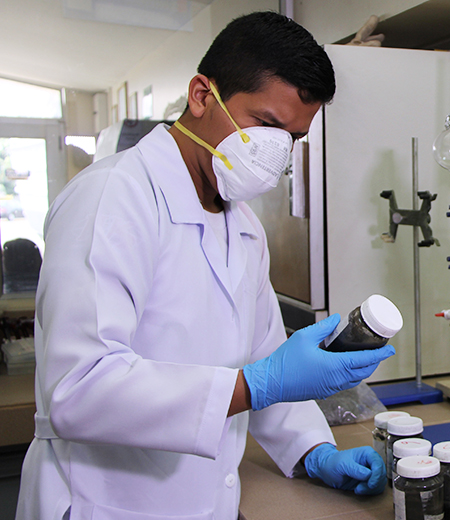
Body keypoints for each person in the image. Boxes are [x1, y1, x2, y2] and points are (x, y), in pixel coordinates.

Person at [17, 12, 395, 520]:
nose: (277, 152)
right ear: (201, 95)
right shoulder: (112, 199)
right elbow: (78, 388)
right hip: (104, 502)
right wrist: (257, 385)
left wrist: (313, 451)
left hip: (206, 501)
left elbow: (263, 358)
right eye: (266, 125)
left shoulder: (242, 226)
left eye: (294, 139)